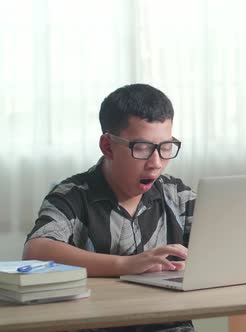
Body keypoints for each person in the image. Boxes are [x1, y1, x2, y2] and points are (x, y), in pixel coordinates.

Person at [23, 84, 196, 332]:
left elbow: (222, 244)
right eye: (142, 148)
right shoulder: (72, 195)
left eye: (166, 147)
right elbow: (36, 251)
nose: (156, 163)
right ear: (107, 146)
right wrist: (126, 265)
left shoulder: (177, 195)